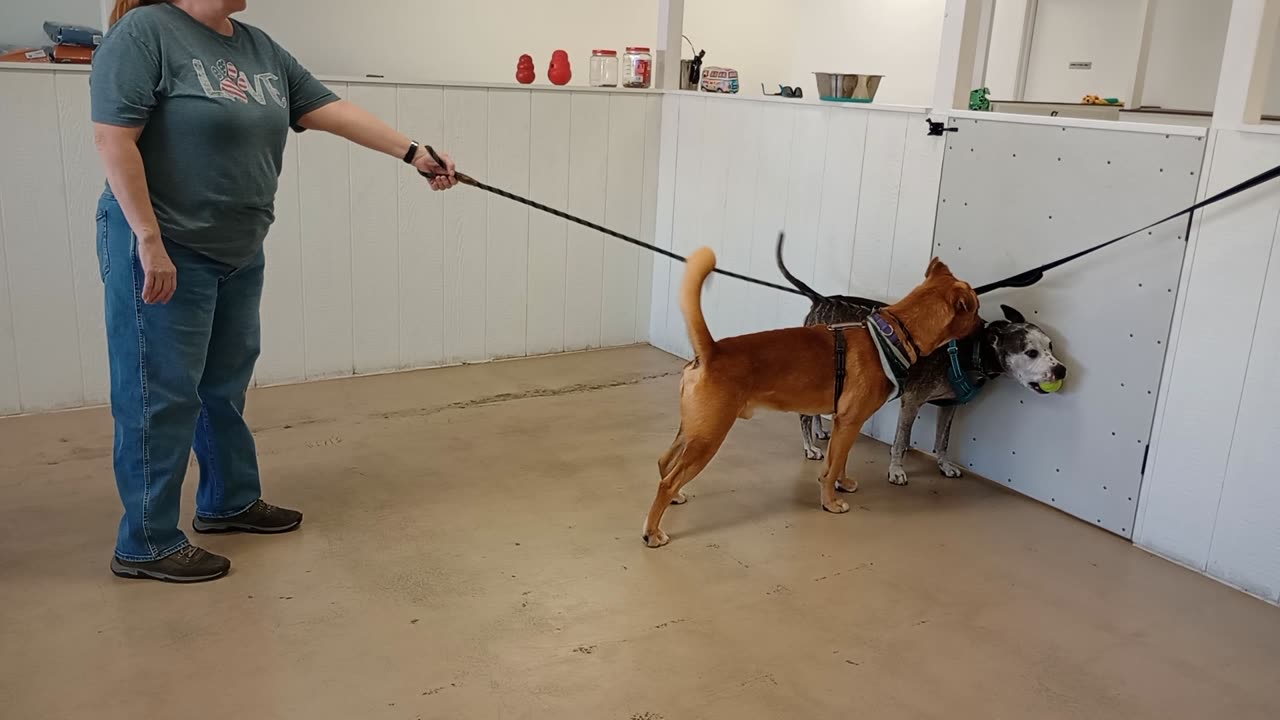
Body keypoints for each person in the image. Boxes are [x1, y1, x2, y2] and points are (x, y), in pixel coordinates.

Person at [92, 0, 457, 583]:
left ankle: (229, 500)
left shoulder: (257, 47)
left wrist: (414, 153)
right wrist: (148, 239)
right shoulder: (145, 33)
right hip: (164, 243)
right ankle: (146, 541)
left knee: (224, 383)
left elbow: (328, 109)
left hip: (236, 246)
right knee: (158, 394)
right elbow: (114, 140)